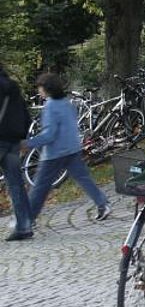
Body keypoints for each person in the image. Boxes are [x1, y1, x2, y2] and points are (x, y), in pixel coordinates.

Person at [25, 72, 111, 224]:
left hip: (54, 154)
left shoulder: (50, 106)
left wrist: (28, 143)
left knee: (40, 187)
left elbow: (49, 135)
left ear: (47, 88)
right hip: (73, 148)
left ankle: (28, 219)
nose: (39, 91)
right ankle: (102, 204)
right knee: (84, 179)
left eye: (40, 87)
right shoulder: (67, 103)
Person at [0, 61, 32, 240]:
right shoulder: (12, 86)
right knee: (16, 184)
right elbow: (25, 113)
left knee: (15, 184)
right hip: (14, 140)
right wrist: (23, 137)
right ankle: (24, 225)